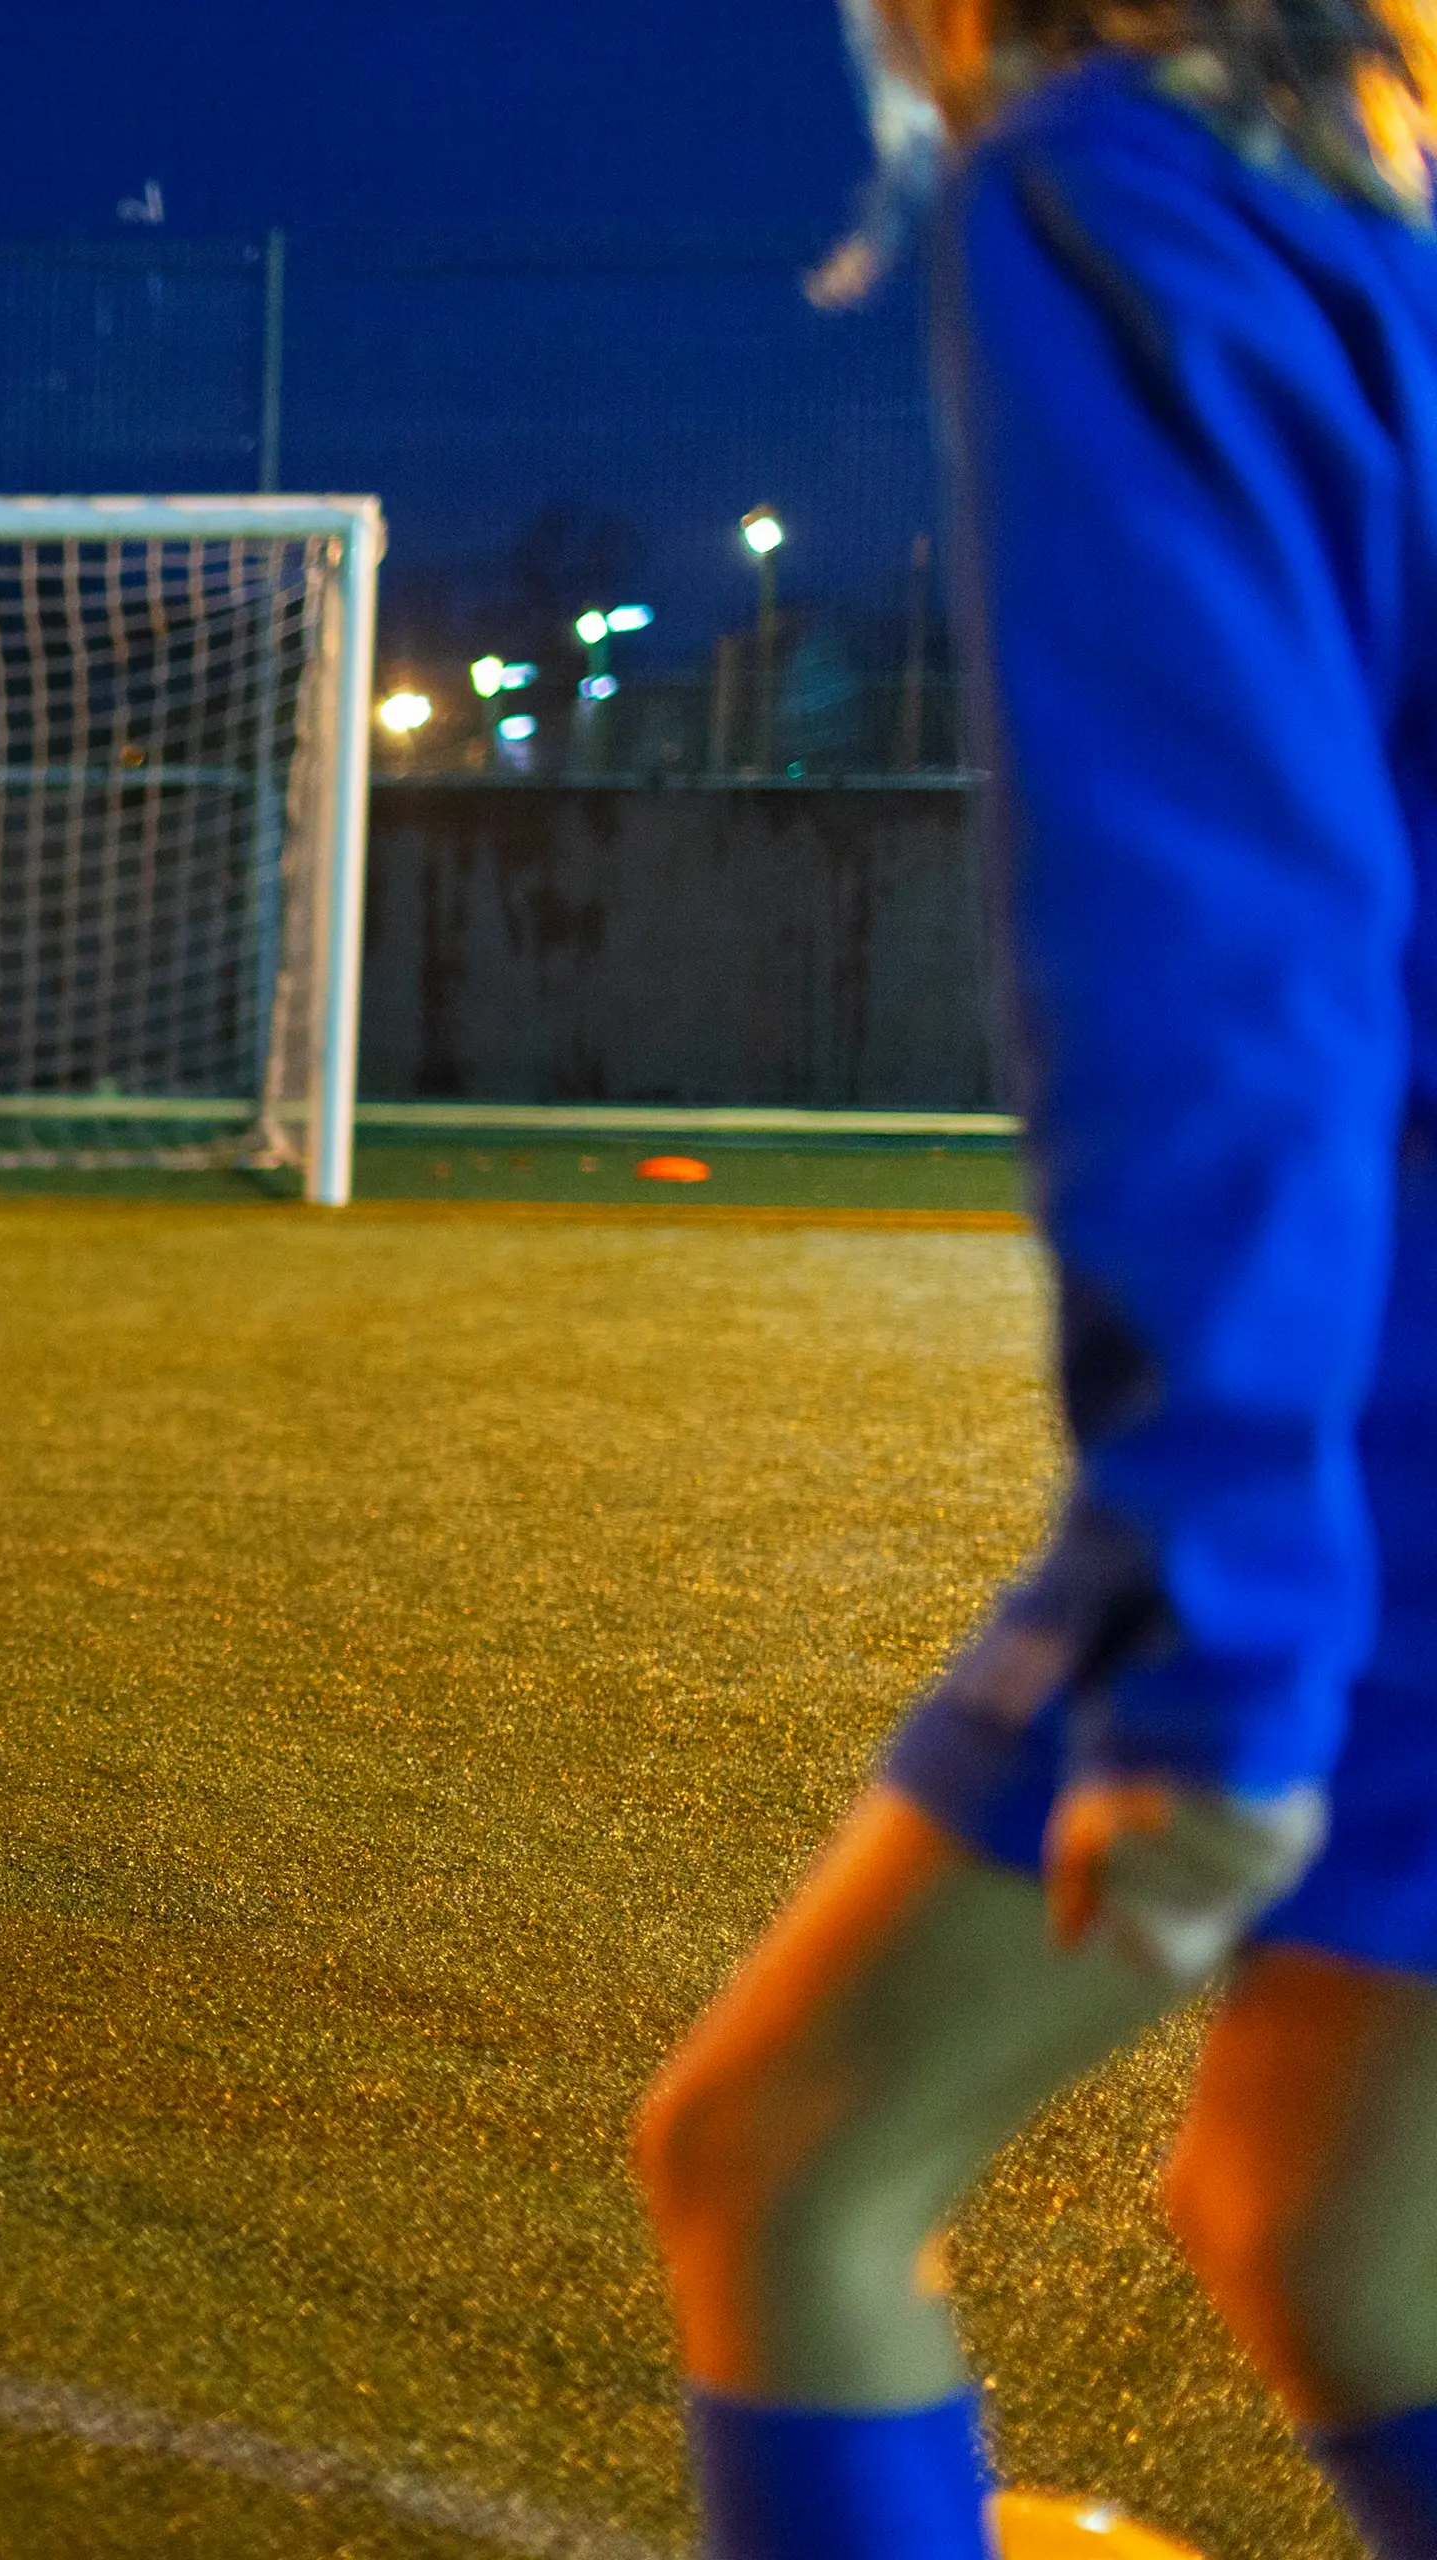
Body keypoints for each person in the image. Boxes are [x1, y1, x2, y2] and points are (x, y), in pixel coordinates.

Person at [631, 7, 1437, 2554]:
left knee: (781, 2166)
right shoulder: (1394, 183)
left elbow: (1227, 937)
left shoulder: (1122, 180)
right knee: (1335, 2234)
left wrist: (1224, 1609)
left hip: (1375, 1438)